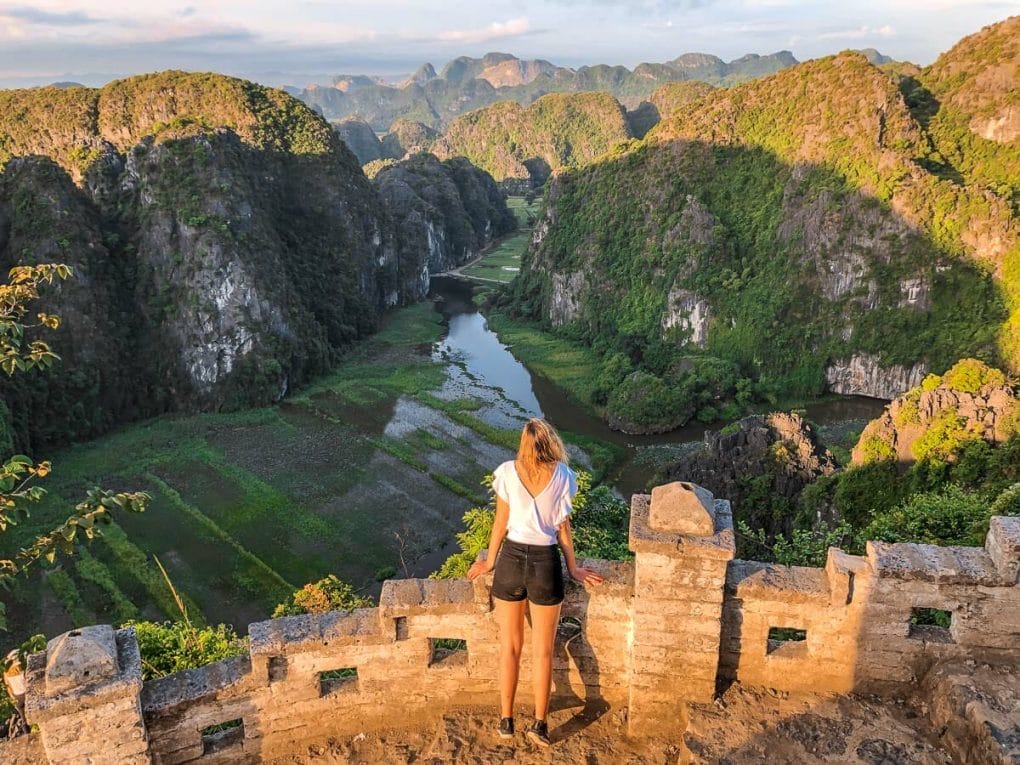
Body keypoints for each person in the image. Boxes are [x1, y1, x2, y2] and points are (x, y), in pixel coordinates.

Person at [468, 418, 604, 747]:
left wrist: (489, 560)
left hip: (511, 562)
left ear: (524, 443)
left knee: (510, 649)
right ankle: (540, 724)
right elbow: (562, 529)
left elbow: (500, 523)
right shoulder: (563, 477)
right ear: (551, 441)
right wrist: (573, 568)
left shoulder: (507, 472)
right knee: (543, 651)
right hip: (545, 563)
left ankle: (506, 720)